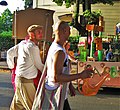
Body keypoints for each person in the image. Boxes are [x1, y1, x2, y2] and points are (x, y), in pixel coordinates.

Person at [32, 21, 94, 110]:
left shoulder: (56, 47)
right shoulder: (59, 52)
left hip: (57, 92)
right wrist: (81, 75)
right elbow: (56, 77)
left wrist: (69, 85)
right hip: (55, 93)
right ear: (64, 31)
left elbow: (61, 69)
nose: (69, 33)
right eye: (69, 30)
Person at [7, 25, 44, 110]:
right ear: (31, 34)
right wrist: (50, 74)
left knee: (17, 106)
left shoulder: (23, 43)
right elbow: (39, 65)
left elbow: (10, 52)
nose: (41, 34)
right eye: (39, 32)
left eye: (41, 32)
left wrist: (12, 66)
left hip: (19, 79)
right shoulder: (32, 47)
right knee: (34, 107)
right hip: (26, 82)